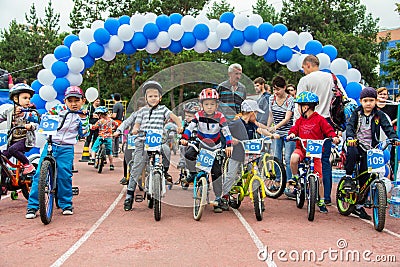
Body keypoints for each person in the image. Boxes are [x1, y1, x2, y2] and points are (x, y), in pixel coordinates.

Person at [26, 86, 89, 219]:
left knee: (64, 175)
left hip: (66, 148)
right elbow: (43, 118)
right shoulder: (57, 109)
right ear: (65, 101)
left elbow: (84, 133)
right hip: (51, 144)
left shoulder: (82, 114)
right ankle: (33, 206)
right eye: (70, 100)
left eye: (76, 101)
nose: (73, 104)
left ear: (82, 101)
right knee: (38, 175)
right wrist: (30, 116)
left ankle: (66, 204)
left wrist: (83, 120)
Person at [123, 81, 182, 211]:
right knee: (137, 167)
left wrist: (179, 126)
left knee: (166, 150)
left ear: (160, 97)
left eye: (156, 96)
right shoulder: (142, 111)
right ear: (146, 98)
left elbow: (175, 117)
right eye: (150, 96)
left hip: (157, 142)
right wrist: (135, 129)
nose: (153, 98)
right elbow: (137, 124)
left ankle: (165, 173)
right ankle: (129, 194)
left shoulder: (163, 109)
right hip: (142, 142)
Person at [296, 55, 346, 206]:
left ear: (309, 65)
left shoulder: (305, 80)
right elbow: (344, 98)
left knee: (306, 156)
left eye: (304, 68)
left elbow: (299, 105)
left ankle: (305, 188)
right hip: (328, 122)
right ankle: (326, 197)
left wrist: (296, 126)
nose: (304, 71)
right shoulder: (332, 77)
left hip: (310, 122)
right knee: (324, 161)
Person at [344, 87, 399, 220]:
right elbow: (350, 127)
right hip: (356, 144)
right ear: (361, 101)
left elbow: (387, 127)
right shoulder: (356, 114)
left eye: (371, 100)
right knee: (351, 153)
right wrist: (350, 138)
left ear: (375, 101)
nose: (368, 103)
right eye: (365, 101)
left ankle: (359, 205)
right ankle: (348, 178)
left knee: (368, 175)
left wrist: (394, 138)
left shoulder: (379, 115)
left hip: (371, 148)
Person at [181, 88, 233, 213]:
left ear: (217, 105)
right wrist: (184, 138)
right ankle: (192, 174)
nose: (209, 107)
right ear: (201, 105)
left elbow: (226, 132)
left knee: (216, 173)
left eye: (212, 104)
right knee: (188, 155)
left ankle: (218, 199)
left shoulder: (220, 117)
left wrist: (229, 145)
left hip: (215, 146)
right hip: (200, 143)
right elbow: (190, 127)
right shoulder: (198, 115)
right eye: (206, 104)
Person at [287, 91, 340, 213]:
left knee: (319, 178)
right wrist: (292, 134)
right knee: (293, 158)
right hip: (302, 149)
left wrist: (334, 137)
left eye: (299, 106)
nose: (298, 109)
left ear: (305, 107)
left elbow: (329, 130)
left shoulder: (320, 119)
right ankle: (295, 177)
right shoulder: (300, 120)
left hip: (315, 152)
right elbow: (294, 129)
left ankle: (321, 200)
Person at [222, 99, 279, 206]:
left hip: (250, 154)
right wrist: (231, 140)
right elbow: (225, 131)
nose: (257, 115)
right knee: (231, 175)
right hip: (237, 154)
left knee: (255, 174)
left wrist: (271, 135)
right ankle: (224, 197)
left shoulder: (251, 124)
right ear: (251, 112)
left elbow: (260, 130)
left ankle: (259, 199)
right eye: (256, 112)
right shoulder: (236, 123)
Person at [266, 76, 296, 199]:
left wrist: (274, 127)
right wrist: (268, 127)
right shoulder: (271, 99)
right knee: (277, 157)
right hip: (277, 132)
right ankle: (278, 181)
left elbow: (287, 118)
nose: (276, 92)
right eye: (274, 89)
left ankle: (290, 183)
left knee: (288, 158)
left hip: (289, 132)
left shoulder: (290, 100)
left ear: (284, 88)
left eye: (278, 89)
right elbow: (271, 115)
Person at [0, 83, 38, 175]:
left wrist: (31, 126)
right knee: (2, 158)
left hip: (25, 140)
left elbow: (36, 120)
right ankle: (4, 184)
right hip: (12, 140)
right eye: (25, 98)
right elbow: (1, 117)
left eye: (29, 98)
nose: (28, 100)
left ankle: (28, 165)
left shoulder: (30, 111)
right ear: (15, 99)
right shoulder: (10, 111)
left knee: (13, 150)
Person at [114, 97, 147, 185]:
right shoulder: (134, 115)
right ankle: (126, 175)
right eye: (141, 108)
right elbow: (125, 123)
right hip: (133, 138)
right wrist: (118, 131)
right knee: (127, 155)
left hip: (146, 139)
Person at [178, 101, 201, 188]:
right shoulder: (185, 123)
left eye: (190, 116)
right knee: (183, 147)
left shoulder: (199, 124)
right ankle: (183, 161)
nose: (187, 118)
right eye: (186, 115)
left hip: (196, 143)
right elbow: (181, 132)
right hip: (187, 142)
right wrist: (180, 131)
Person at [88, 106, 118, 170]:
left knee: (94, 148)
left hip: (101, 136)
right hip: (109, 137)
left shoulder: (100, 121)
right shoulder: (110, 120)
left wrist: (90, 126)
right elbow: (116, 124)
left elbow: (94, 127)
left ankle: (93, 159)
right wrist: (113, 128)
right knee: (109, 152)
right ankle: (111, 165)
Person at [111, 93, 124, 157]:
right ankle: (116, 152)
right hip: (120, 122)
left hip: (115, 122)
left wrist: (109, 116)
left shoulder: (116, 105)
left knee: (113, 137)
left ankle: (113, 151)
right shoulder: (121, 105)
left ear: (114, 98)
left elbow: (114, 115)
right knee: (117, 137)